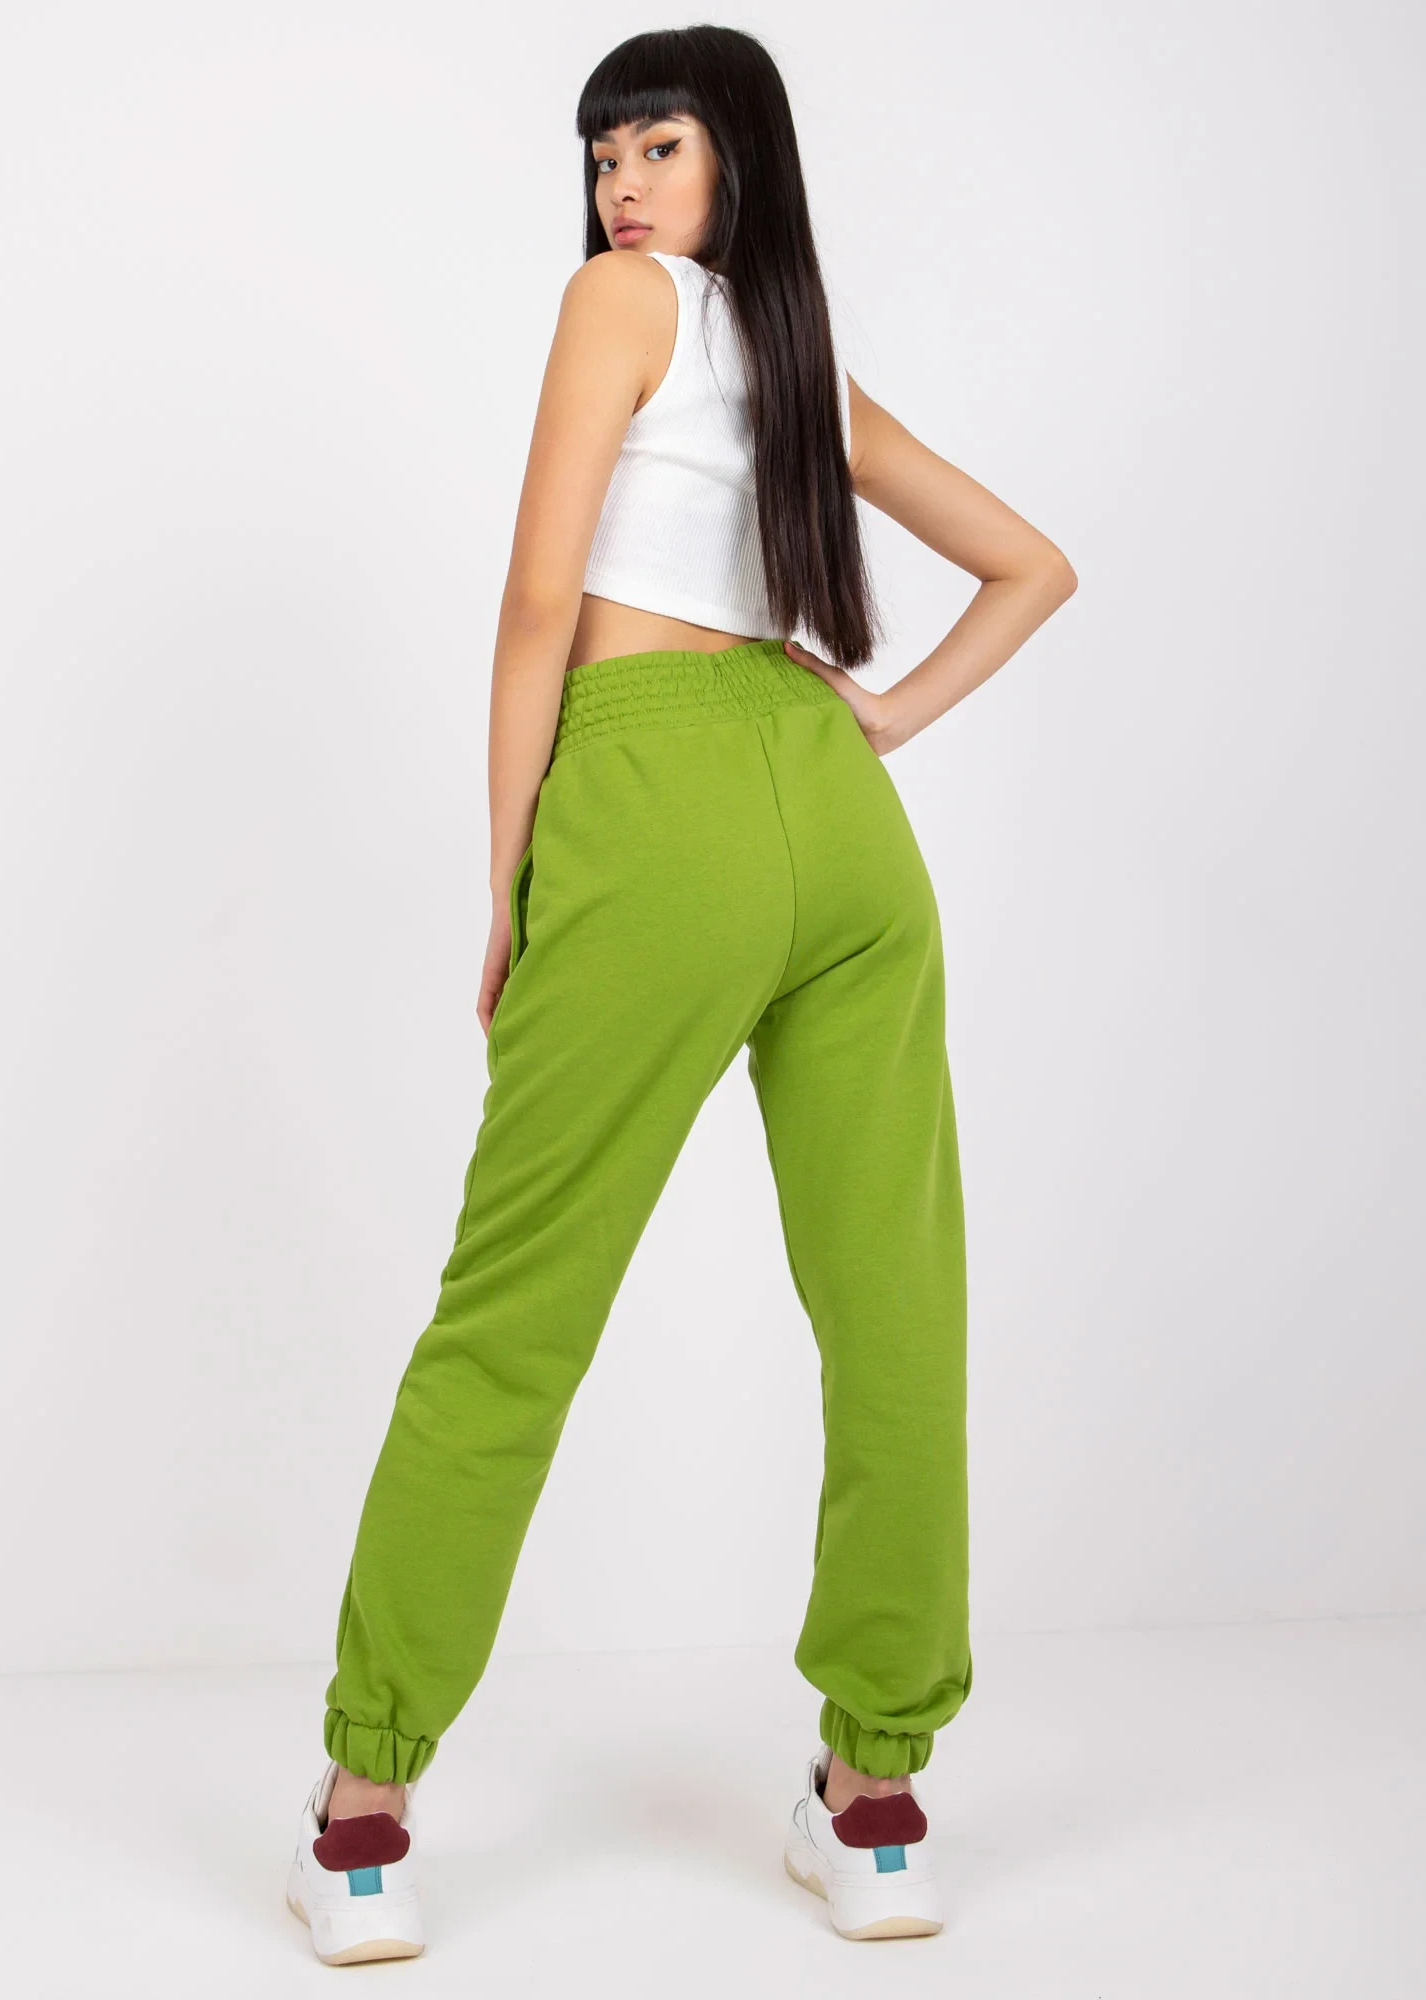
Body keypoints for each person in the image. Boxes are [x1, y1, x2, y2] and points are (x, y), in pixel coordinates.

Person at [286, 24, 1077, 1964]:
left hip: (649, 812)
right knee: (896, 1308)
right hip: (836, 827)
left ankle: (363, 1817)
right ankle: (876, 1803)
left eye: (659, 146)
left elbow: (535, 603)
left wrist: (509, 877)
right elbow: (1032, 566)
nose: (622, 188)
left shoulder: (617, 306)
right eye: (604, 157)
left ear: (739, 160)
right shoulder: (793, 355)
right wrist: (873, 719)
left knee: (513, 1315)